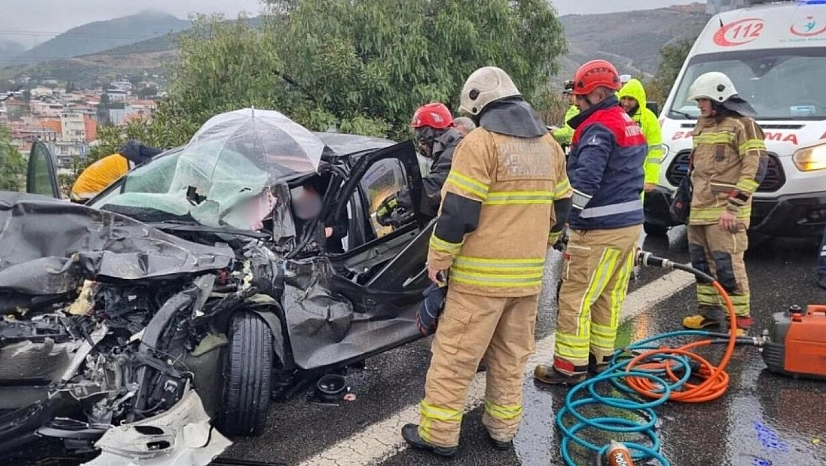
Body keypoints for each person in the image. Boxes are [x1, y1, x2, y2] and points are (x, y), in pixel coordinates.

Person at [401, 66, 571, 457]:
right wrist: (541, 246)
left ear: (479, 106)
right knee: (511, 358)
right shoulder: (549, 146)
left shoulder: (480, 144)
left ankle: (440, 435)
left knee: (455, 357)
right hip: (527, 282)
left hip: (479, 282)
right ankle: (502, 430)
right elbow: (562, 208)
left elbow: (458, 211)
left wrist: (438, 259)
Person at [533, 59, 647, 385]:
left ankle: (569, 367)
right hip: (628, 227)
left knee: (575, 298)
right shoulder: (627, 122)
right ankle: (601, 358)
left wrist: (562, 223)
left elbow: (584, 184)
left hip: (599, 229)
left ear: (597, 94)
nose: (576, 103)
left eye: (580, 98)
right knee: (607, 296)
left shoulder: (598, 128)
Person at [680, 71, 766, 335]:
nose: (700, 105)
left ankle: (738, 320)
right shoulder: (702, 125)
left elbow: (755, 168)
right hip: (699, 210)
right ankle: (710, 314)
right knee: (702, 265)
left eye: (703, 100)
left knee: (728, 266)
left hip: (726, 212)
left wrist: (733, 208)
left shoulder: (743, 125)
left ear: (719, 98)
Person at [70, 140, 162, 202]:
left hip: (81, 194)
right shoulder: (127, 165)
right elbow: (131, 191)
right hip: (86, 198)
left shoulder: (120, 159)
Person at [618, 78, 663, 193]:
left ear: (638, 100)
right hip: (615, 176)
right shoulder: (616, 116)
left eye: (630, 99)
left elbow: (655, 151)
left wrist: (651, 179)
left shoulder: (648, 118)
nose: (626, 103)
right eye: (623, 98)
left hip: (638, 178)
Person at [292, 177, 347, 253]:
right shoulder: (294, 211)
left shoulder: (332, 203)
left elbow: (343, 229)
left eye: (309, 189)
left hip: (332, 253)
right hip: (302, 254)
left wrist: (330, 231)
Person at [550, 79, 579, 150]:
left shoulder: (574, 110)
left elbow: (569, 133)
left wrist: (554, 133)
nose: (569, 97)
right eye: (568, 95)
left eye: (571, 95)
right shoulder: (583, 108)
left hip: (573, 146)